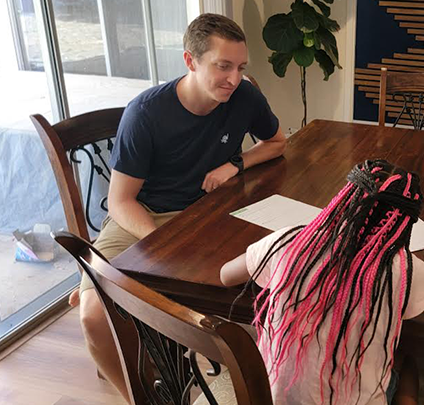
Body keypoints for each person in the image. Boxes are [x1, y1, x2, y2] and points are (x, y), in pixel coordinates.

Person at [75, 13, 286, 402]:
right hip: (144, 216)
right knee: (92, 317)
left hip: (211, 213)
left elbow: (277, 143)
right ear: (190, 61)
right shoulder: (146, 113)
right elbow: (121, 201)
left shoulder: (244, 96)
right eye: (222, 66)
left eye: (240, 68)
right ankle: (144, 398)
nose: (234, 79)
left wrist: (234, 164)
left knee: (268, 284)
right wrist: (166, 244)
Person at [220, 159, 424, 405]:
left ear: (343, 199)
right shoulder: (400, 267)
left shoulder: (290, 240)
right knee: (409, 363)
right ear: (404, 223)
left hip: (275, 397)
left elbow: (226, 275)